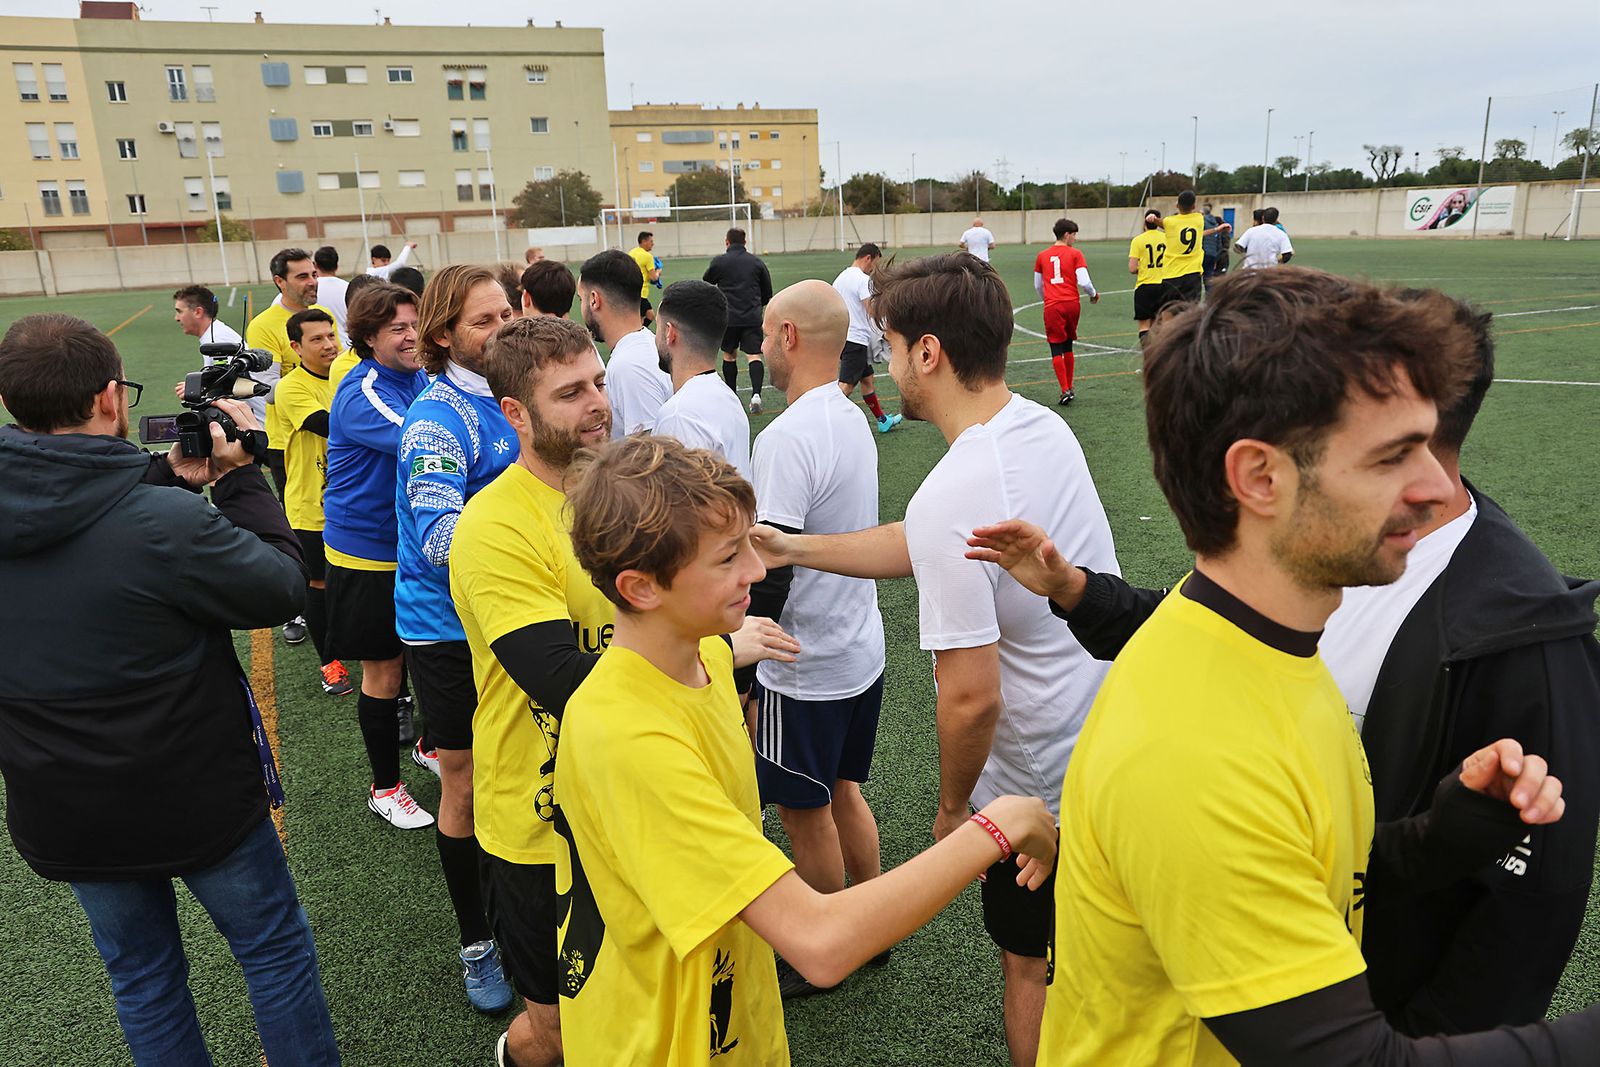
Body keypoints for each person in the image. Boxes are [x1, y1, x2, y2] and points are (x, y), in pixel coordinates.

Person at [1006, 267, 1599, 1064]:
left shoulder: (1266, 643)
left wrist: (1438, 837)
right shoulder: (1193, 753)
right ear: (1260, 478)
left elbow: (1304, 867)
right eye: (1394, 456)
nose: (1435, 489)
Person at [552, 433, 1060, 1067]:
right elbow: (818, 942)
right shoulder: (625, 738)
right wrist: (1001, 823)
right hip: (661, 1041)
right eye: (727, 558)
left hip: (731, 1017)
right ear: (642, 588)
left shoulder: (696, 651)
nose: (757, 572)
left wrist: (735, 636)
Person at [749, 253, 1121, 1066]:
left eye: (887, 343)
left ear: (928, 353)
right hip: (1106, 749)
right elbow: (925, 541)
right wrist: (795, 545)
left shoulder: (956, 484)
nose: (881, 360)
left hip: (1038, 791)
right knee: (1108, 967)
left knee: (1032, 969)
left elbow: (970, 698)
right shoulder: (1034, 426)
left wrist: (956, 814)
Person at [451, 316, 800, 1067]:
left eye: (600, 381)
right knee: (559, 1033)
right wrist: (722, 645)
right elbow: (559, 678)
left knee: (658, 1007)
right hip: (542, 827)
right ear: (515, 413)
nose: (598, 403)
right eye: (571, 392)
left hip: (640, 812)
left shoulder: (622, 498)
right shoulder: (495, 526)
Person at [0, 314, 341, 1067]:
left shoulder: (141, 506)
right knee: (273, 952)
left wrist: (159, 480)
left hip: (61, 799)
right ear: (107, 399)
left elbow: (77, 530)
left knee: (143, 978)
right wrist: (245, 474)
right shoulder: (161, 523)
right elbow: (281, 586)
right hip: (195, 792)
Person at [748, 280, 891, 998]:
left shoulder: (786, 435)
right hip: (858, 646)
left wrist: (745, 660)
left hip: (804, 663)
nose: (762, 347)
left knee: (805, 814)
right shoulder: (847, 414)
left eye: (769, 334)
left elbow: (772, 565)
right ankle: (875, 924)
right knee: (844, 791)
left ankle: (827, 947)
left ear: (791, 338)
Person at [395, 264, 519, 1013]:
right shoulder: (437, 419)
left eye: (508, 311)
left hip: (512, 618)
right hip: (447, 632)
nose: (504, 327)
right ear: (445, 336)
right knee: (468, 784)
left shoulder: (512, 395)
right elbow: (441, 537)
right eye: (485, 320)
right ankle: (478, 941)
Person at [324, 281, 434, 830]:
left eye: (416, 324)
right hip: (367, 552)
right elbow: (424, 438)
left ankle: (428, 747)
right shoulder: (361, 389)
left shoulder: (418, 376)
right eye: (398, 329)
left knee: (431, 652)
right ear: (367, 337)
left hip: (411, 544)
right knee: (385, 671)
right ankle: (385, 786)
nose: (412, 336)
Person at [276, 308, 354, 697]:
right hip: (311, 507)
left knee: (356, 581)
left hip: (353, 503)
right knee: (319, 585)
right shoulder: (291, 387)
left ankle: (354, 644)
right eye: (317, 339)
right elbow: (325, 423)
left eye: (331, 335)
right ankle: (330, 661)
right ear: (296, 346)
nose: (329, 344)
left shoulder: (347, 376)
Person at [249, 247, 339, 503]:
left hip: (330, 433)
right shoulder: (264, 326)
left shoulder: (324, 316)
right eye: (302, 277)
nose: (312, 282)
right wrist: (304, 384)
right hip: (290, 441)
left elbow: (340, 368)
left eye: (314, 274)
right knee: (303, 521)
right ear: (280, 281)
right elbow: (267, 389)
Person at [652, 279, 752, 479]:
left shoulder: (679, 415)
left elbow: (682, 503)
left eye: (658, 327)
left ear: (670, 333)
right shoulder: (728, 398)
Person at [579, 249, 671, 438]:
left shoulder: (629, 366)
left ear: (594, 300)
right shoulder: (645, 344)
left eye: (581, 299)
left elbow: (650, 455)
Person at [831, 242, 903, 433]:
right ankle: (825, 422)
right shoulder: (862, 280)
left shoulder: (841, 278)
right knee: (846, 385)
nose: (874, 269)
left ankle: (882, 420)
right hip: (856, 339)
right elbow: (871, 309)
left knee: (867, 379)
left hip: (843, 336)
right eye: (875, 264)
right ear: (868, 258)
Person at [704, 227, 774, 414]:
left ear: (727, 242)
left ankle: (733, 396)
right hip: (751, 316)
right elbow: (767, 292)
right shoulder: (756, 262)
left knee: (729, 355)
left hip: (729, 317)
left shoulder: (719, 262)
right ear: (745, 243)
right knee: (753, 356)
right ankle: (756, 395)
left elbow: (706, 283)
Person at [1032, 219, 1099, 406]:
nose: (1075, 239)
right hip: (1072, 304)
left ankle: (1064, 389)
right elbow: (1084, 282)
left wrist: (1047, 299)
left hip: (1053, 305)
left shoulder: (1042, 255)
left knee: (1055, 346)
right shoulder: (1076, 254)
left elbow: (1038, 284)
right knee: (1068, 344)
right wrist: (1093, 294)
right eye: (1074, 235)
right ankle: (1070, 386)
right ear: (1067, 234)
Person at [173, 284, 254, 419]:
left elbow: (232, 383)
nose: (176, 318)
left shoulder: (217, 340)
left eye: (179, 311)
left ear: (198, 312)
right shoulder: (215, 334)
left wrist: (198, 385)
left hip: (255, 423)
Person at [1159, 189, 1230, 307]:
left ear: (1177, 205)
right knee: (1191, 310)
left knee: (1169, 311)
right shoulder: (1198, 218)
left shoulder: (1169, 221)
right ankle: (1211, 301)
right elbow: (1199, 232)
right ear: (1194, 206)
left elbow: (1162, 223)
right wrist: (1217, 229)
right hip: (1193, 273)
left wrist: (1153, 219)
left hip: (1171, 273)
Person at [1128, 209, 1167, 346]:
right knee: (1161, 325)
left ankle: (1148, 357)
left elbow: (1132, 268)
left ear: (1144, 222)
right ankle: (1162, 356)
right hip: (1164, 286)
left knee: (1144, 326)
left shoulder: (1138, 240)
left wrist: (1143, 268)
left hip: (1145, 287)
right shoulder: (1167, 237)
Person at [313, 245, 351, 336]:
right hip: (348, 344)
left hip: (320, 344)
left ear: (315, 265)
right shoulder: (349, 288)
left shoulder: (309, 289)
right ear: (337, 266)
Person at [627, 231, 662, 325]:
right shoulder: (648, 257)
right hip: (641, 292)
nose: (653, 244)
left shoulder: (631, 252)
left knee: (642, 316)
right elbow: (654, 278)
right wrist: (658, 271)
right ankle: (636, 335)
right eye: (651, 241)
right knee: (649, 316)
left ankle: (636, 333)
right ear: (644, 241)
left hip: (630, 291)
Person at [1200, 202, 1228, 292]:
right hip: (1212, 254)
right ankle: (1210, 298)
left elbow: (1200, 238)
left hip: (1202, 253)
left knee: (1196, 277)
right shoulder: (1215, 224)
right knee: (1208, 277)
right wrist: (1216, 256)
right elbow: (1219, 243)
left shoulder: (1201, 222)